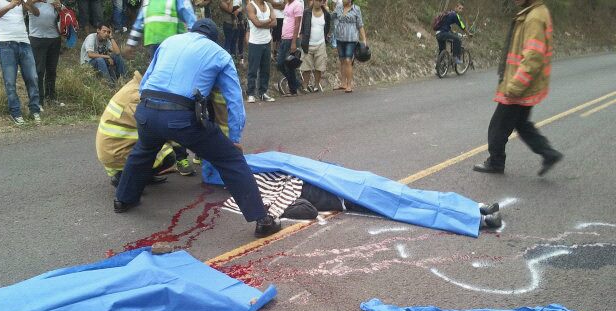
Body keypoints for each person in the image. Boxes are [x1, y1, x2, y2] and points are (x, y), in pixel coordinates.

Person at [114, 19, 282, 239]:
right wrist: (235, 137)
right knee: (230, 159)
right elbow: (234, 101)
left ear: (191, 31)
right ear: (213, 38)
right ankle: (263, 220)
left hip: (146, 110)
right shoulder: (220, 54)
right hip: (181, 116)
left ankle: (123, 200)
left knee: (143, 151)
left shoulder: (169, 42)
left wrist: (150, 111)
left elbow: (145, 82)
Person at [223, 170, 503, 230]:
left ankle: (474, 207)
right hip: (348, 197)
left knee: (407, 196)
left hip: (348, 182)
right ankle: (478, 218)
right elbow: (302, 211)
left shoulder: (275, 174)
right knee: (405, 206)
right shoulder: (262, 199)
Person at [473, 0, 563, 176]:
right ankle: (549, 154)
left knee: (498, 126)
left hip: (521, 86)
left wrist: (515, 86)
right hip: (527, 85)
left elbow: (533, 57)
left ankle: (496, 162)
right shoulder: (534, 12)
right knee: (521, 124)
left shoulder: (534, 17)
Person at [96, 70, 191, 187]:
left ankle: (140, 175)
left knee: (158, 145)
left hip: (113, 150)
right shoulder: (138, 96)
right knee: (168, 156)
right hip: (117, 153)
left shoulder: (135, 87)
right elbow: (158, 127)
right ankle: (127, 178)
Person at [0, 0, 41, 125]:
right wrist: (11, 5)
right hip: (6, 43)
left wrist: (28, 4)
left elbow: (37, 13)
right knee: (10, 81)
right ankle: (15, 113)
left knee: (33, 77)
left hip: (24, 42)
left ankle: (35, 110)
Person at [124, 0, 196, 59]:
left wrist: (194, 41)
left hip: (173, 43)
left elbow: (190, 18)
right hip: (153, 44)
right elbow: (140, 22)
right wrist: (130, 44)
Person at [28, 0, 62, 110]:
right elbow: (25, 6)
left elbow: (63, 14)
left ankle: (51, 97)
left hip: (54, 37)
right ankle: (39, 101)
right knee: (39, 70)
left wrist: (59, 7)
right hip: (37, 37)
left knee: (52, 70)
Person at [331, 0, 366, 93]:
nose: (342, 0)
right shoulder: (338, 8)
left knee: (348, 60)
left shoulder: (356, 9)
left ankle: (349, 85)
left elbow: (360, 25)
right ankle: (343, 84)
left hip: (351, 39)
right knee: (342, 60)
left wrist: (364, 40)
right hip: (340, 38)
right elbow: (332, 17)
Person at [246, 0, 276, 102]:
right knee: (253, 70)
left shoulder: (269, 5)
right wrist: (268, 21)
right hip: (255, 43)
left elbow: (275, 22)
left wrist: (263, 23)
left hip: (267, 41)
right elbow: (256, 23)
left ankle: (263, 92)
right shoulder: (250, 6)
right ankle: (250, 93)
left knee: (265, 69)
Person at [300, 0, 329, 92]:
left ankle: (316, 85)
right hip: (307, 44)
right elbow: (303, 28)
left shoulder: (326, 14)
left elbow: (327, 28)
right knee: (306, 67)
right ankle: (305, 86)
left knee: (319, 67)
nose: (318, 2)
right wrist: (302, 41)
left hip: (320, 44)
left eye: (321, 1)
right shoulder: (307, 12)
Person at [276, 0, 303, 96]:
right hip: (284, 38)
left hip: (292, 39)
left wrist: (294, 42)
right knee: (279, 64)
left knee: (289, 65)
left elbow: (297, 24)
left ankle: (293, 90)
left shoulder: (298, 5)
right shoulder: (287, 4)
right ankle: (296, 84)